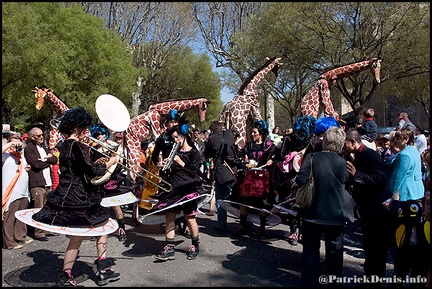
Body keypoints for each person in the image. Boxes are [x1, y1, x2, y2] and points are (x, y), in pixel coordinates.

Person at [32, 107, 120, 286]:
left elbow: (80, 169)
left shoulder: (64, 145)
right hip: (79, 197)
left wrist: (93, 162)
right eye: (85, 128)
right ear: (79, 127)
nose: (87, 132)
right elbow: (93, 172)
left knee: (77, 235)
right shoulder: (77, 145)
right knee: (102, 227)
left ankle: (66, 272)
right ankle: (103, 269)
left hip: (67, 194)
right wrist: (112, 161)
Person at [296, 126, 355, 286]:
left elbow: (300, 180)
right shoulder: (345, 163)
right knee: (335, 250)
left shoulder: (312, 158)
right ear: (341, 144)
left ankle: (309, 281)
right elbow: (349, 184)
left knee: (310, 248)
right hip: (336, 214)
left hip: (312, 212)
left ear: (325, 141)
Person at [343, 129, 392, 282]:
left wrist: (357, 175)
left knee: (377, 247)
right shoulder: (356, 156)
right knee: (370, 246)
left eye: (345, 144)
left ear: (353, 142)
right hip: (366, 209)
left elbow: (380, 179)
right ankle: (370, 274)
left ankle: (376, 277)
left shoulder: (371, 156)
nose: (343, 147)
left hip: (376, 210)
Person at [153, 121, 204, 261]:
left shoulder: (194, 153)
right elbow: (167, 172)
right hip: (174, 187)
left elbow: (194, 172)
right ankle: (169, 246)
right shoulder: (171, 151)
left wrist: (180, 161)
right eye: (174, 138)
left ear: (184, 136)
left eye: (177, 137)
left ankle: (195, 244)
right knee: (169, 215)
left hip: (189, 187)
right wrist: (163, 165)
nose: (175, 140)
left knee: (189, 217)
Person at [386, 128, 428, 284]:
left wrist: (392, 195)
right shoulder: (414, 151)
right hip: (416, 193)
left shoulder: (405, 155)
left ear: (405, 140)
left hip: (405, 196)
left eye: (399, 139)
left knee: (403, 235)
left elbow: (398, 178)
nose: (396, 141)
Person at [231, 119, 277, 238]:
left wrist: (272, 160)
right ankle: (241, 225)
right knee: (244, 202)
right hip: (249, 177)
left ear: (261, 133)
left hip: (263, 178)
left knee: (262, 203)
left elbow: (277, 155)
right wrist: (237, 145)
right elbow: (240, 156)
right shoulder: (249, 145)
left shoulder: (269, 146)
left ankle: (262, 228)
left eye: (254, 132)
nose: (252, 134)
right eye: (251, 132)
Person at [90, 126, 128, 242]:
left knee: (115, 205)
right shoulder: (93, 150)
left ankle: (121, 228)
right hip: (99, 180)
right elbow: (91, 166)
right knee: (98, 205)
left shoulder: (112, 146)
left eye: (101, 134)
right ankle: (99, 227)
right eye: (97, 135)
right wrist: (96, 162)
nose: (99, 137)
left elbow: (118, 163)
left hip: (111, 178)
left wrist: (114, 164)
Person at [24, 126, 59, 241]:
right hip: (37, 183)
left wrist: (46, 160)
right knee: (38, 207)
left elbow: (54, 160)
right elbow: (36, 164)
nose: (41, 137)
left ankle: (47, 228)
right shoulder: (29, 149)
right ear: (32, 137)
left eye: (42, 135)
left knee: (48, 207)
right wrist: (47, 161)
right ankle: (38, 232)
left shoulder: (44, 146)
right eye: (38, 135)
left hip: (48, 181)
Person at [204, 121, 240, 232]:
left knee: (220, 198)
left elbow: (208, 154)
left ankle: (222, 224)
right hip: (233, 170)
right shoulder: (230, 135)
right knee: (236, 198)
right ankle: (243, 223)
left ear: (212, 130)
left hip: (220, 171)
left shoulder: (212, 138)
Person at [2, 133, 33, 250]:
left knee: (20, 215)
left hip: (23, 191)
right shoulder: (6, 155)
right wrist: (10, 143)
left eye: (19, 142)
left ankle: (20, 237)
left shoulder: (21, 156)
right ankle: (9, 242)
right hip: (11, 192)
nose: (17, 145)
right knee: (9, 217)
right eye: (15, 143)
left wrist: (27, 168)